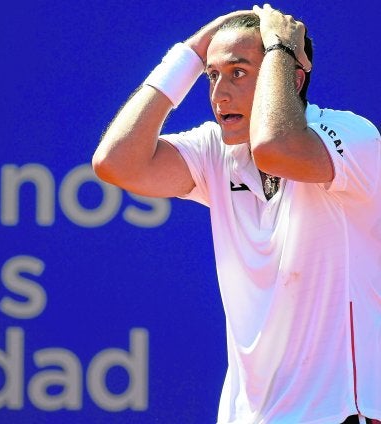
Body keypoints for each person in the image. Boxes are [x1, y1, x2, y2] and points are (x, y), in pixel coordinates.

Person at [92, 4, 381, 424]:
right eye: (212, 76)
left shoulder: (354, 137)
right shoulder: (215, 151)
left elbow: (275, 146)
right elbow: (116, 163)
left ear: (293, 76)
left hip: (340, 415)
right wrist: (189, 54)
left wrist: (282, 47)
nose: (218, 95)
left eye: (239, 73)